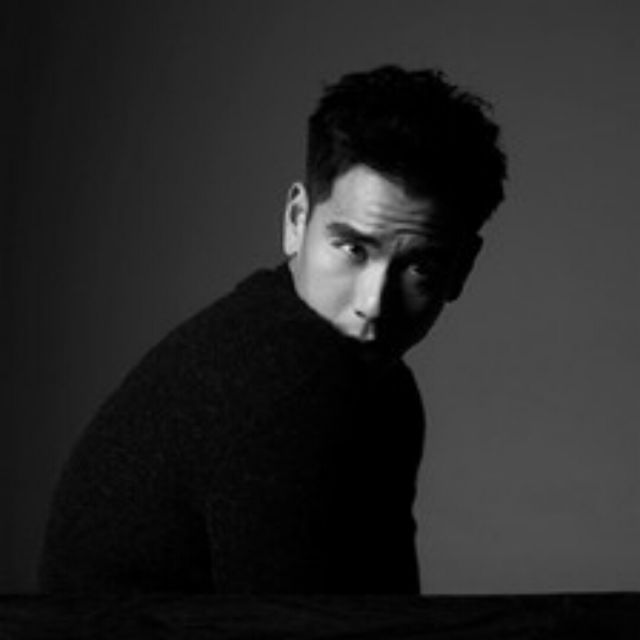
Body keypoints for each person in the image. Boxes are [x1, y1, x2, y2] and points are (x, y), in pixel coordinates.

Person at [39, 65, 507, 594]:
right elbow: (306, 624)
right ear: (296, 220)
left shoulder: (386, 390)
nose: (373, 304)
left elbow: (384, 614)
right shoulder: (282, 374)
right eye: (353, 248)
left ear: (462, 268)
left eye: (420, 266)